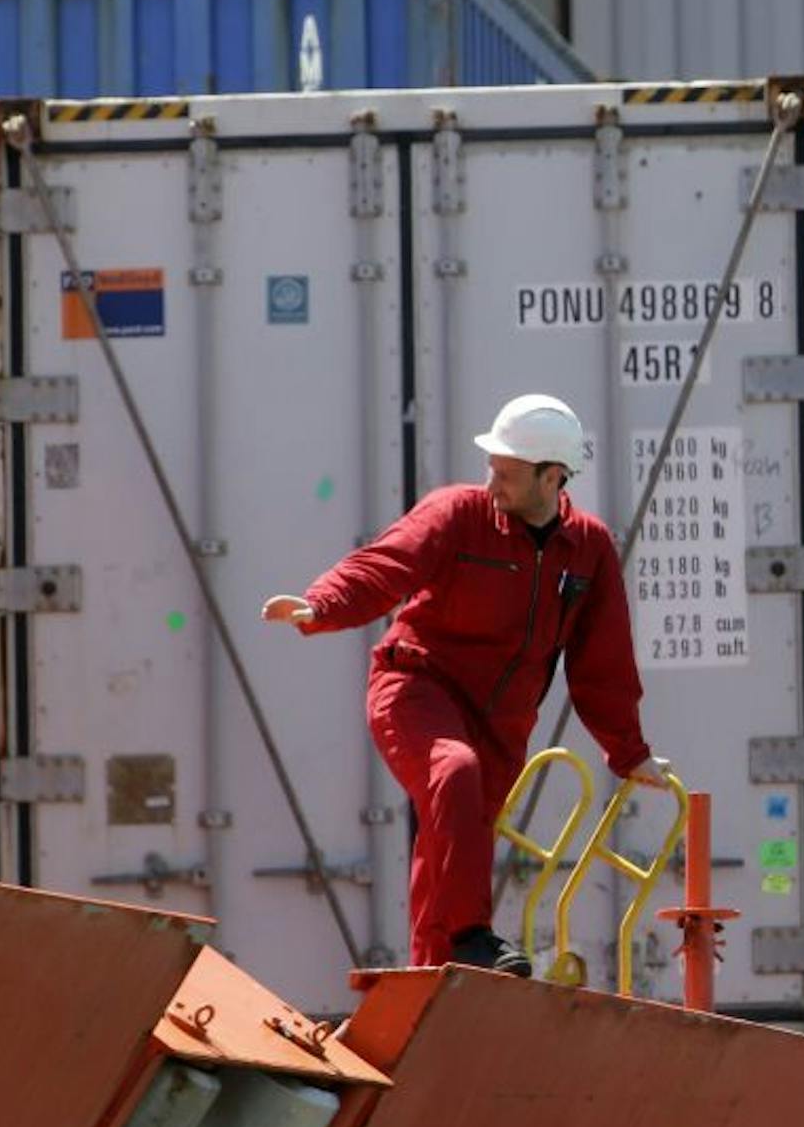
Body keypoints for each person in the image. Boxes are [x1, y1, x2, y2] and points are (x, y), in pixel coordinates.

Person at [262, 393, 667, 976]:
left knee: (453, 848)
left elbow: (603, 662)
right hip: (414, 688)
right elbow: (386, 564)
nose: (492, 483)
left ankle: (429, 989)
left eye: (506, 473)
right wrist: (321, 604)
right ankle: (473, 938)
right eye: (491, 468)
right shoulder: (459, 513)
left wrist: (629, 753)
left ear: (553, 476)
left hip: (501, 723)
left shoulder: (589, 549)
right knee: (453, 772)